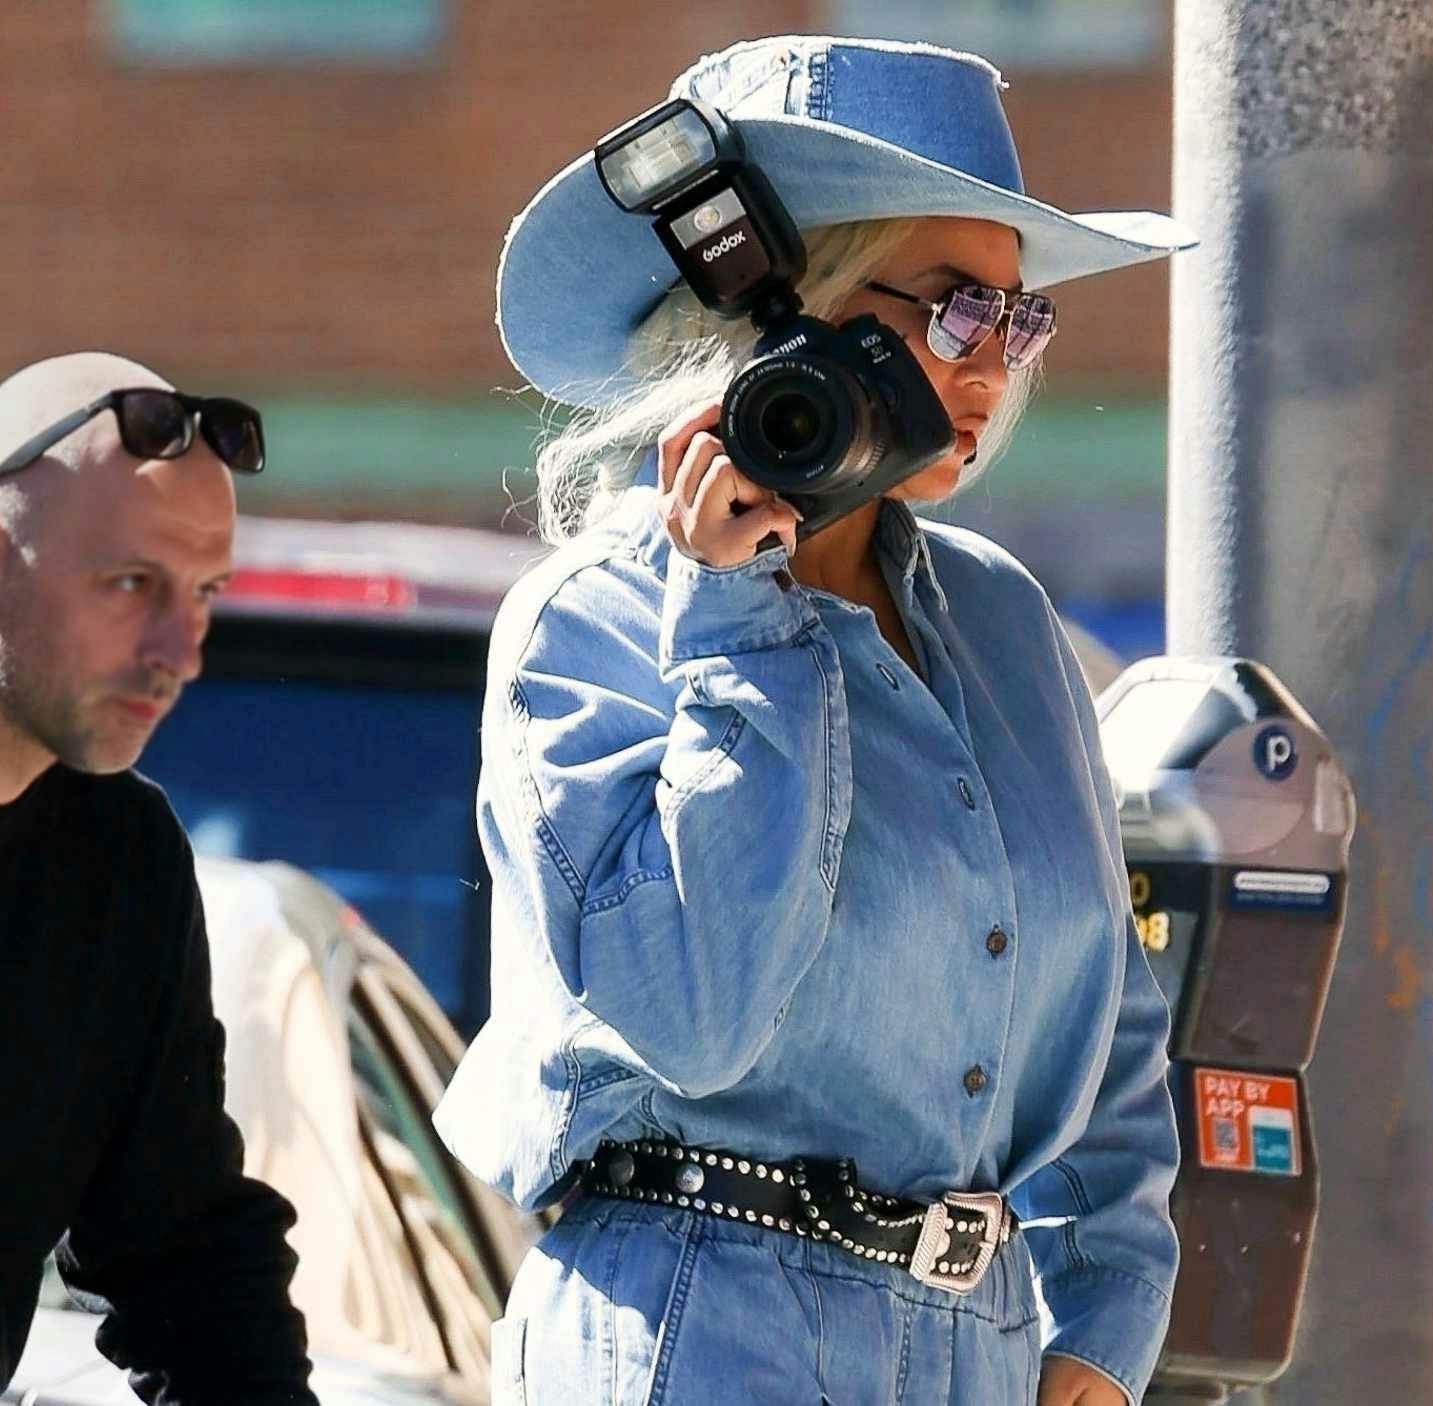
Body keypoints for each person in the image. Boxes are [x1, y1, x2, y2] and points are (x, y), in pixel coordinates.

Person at [434, 35, 1197, 1406]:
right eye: (962, 310)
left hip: (983, 1337)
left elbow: (1109, 1014)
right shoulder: (594, 621)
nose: (997, 364)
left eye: (1023, 323)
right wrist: (733, 624)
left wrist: (1107, 1313)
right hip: (696, 1318)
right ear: (804, 313)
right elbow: (690, 1016)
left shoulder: (1006, 623)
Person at [0, 351, 317, 1405]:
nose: (180, 651)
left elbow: (185, 1251)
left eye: (204, 593)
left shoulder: (123, 860)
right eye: (131, 583)